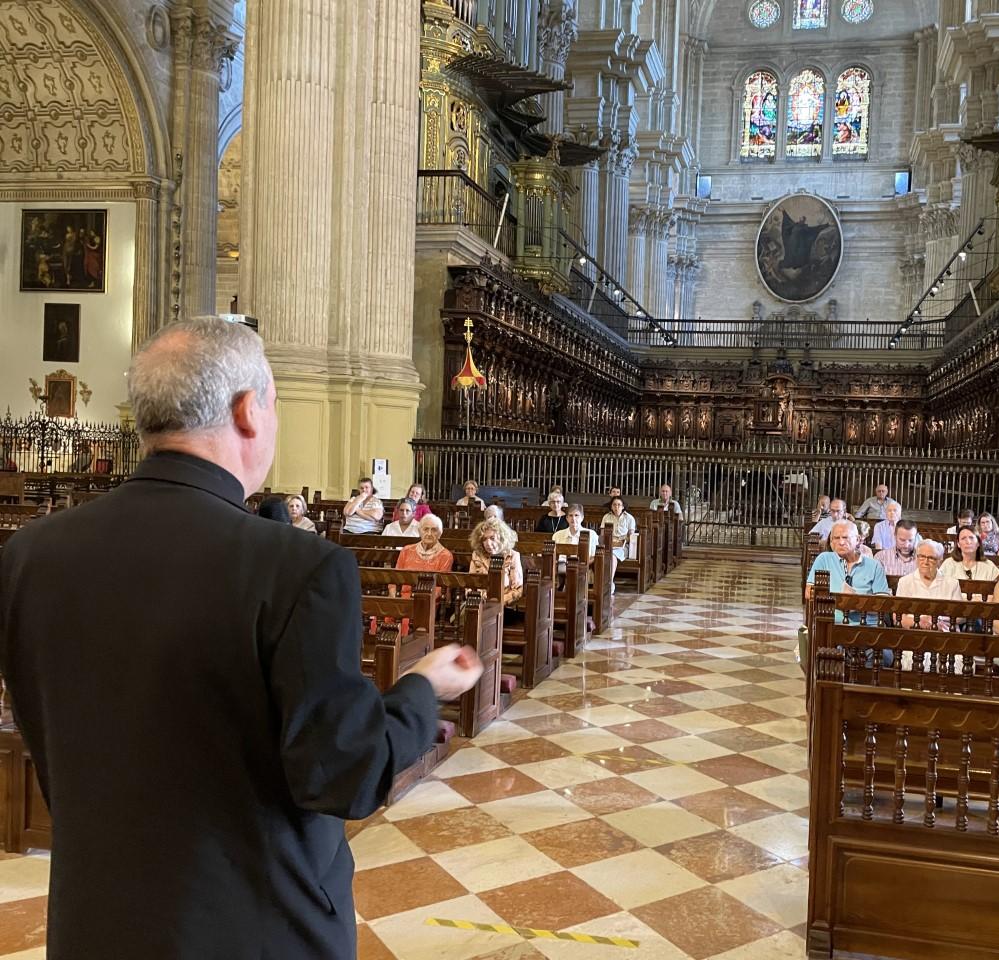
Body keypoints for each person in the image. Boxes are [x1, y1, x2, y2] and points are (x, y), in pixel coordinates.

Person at [0, 317, 481, 959]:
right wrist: (421, 690)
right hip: (257, 930)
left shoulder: (31, 555)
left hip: (96, 926)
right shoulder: (298, 567)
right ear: (249, 410)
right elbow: (345, 774)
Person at [804, 519, 890, 623]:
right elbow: (809, 592)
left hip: (867, 625)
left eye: (845, 537)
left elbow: (884, 603)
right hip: (832, 623)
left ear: (857, 539)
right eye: (836, 538)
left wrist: (855, 603)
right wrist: (841, 601)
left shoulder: (874, 566)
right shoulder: (824, 559)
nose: (841, 542)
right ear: (831, 542)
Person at [894, 539, 961, 630]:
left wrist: (935, 620)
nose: (925, 562)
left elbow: (961, 617)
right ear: (916, 558)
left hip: (944, 632)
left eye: (931, 558)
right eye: (922, 556)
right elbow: (897, 617)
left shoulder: (952, 584)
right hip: (913, 631)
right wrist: (920, 622)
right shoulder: (904, 582)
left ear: (939, 561)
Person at [469, 517, 524, 616]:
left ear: (502, 538)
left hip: (504, 608)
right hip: (479, 605)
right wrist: (479, 599)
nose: (488, 543)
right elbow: (470, 585)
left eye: (492, 538)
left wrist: (495, 603)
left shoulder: (513, 556)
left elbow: (517, 590)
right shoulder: (477, 555)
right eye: (484, 539)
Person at [600, 495, 636, 593]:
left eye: (619, 505)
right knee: (600, 554)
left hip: (623, 546)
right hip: (608, 544)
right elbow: (602, 534)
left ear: (623, 506)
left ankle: (609, 583)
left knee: (612, 555)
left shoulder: (629, 518)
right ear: (611, 506)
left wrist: (621, 542)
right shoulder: (606, 517)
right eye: (614, 505)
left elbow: (631, 536)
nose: (616, 507)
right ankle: (598, 582)